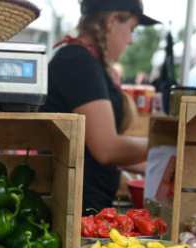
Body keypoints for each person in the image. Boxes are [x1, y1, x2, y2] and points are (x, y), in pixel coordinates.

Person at [42, 0, 157, 213]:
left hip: (86, 204)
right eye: (131, 29)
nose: (131, 40)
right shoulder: (77, 62)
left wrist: (155, 165)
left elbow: (90, 148)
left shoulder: (85, 61)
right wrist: (164, 146)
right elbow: (106, 148)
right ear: (112, 21)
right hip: (74, 208)